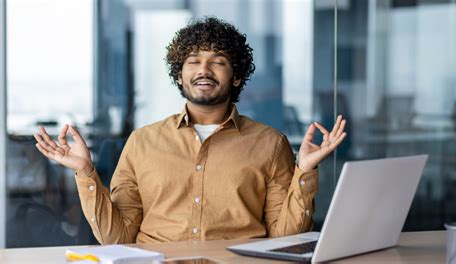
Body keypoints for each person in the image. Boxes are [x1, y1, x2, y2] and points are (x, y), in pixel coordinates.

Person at [34, 17, 346, 244]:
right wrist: (86, 172)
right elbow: (118, 238)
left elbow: (284, 237)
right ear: (181, 76)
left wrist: (305, 170)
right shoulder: (142, 142)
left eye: (218, 61)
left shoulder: (269, 143)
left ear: (236, 77)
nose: (203, 70)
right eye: (193, 61)